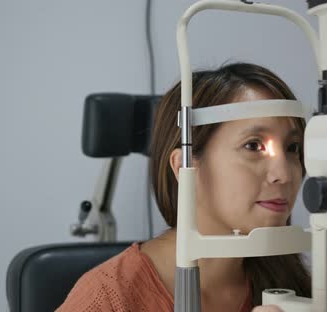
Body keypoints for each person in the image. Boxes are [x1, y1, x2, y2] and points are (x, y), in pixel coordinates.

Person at [57, 63, 311, 312]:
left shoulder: (291, 285)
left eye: (292, 148)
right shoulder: (109, 298)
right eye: (254, 146)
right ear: (184, 167)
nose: (284, 174)